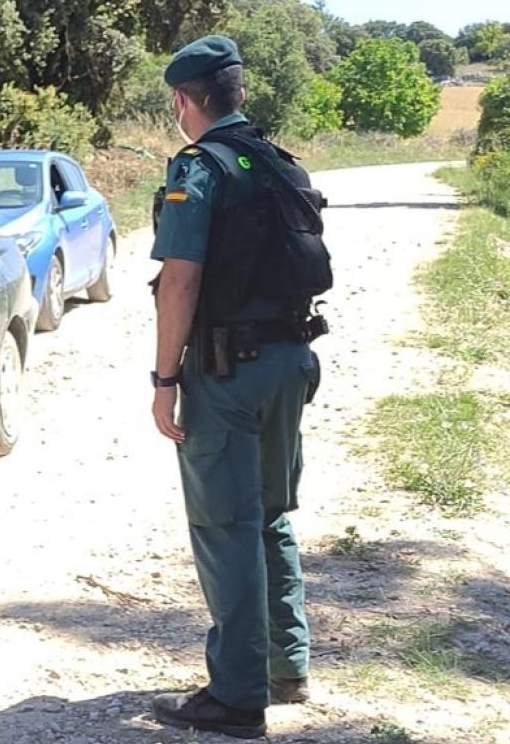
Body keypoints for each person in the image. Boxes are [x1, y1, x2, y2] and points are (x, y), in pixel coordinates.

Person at [148, 36, 329, 739]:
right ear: (241, 94)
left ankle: (237, 696)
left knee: (226, 525)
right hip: (291, 360)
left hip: (227, 372)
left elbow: (180, 281)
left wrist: (164, 380)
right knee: (271, 514)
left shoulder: (198, 169)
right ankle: (288, 665)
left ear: (185, 101)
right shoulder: (282, 162)